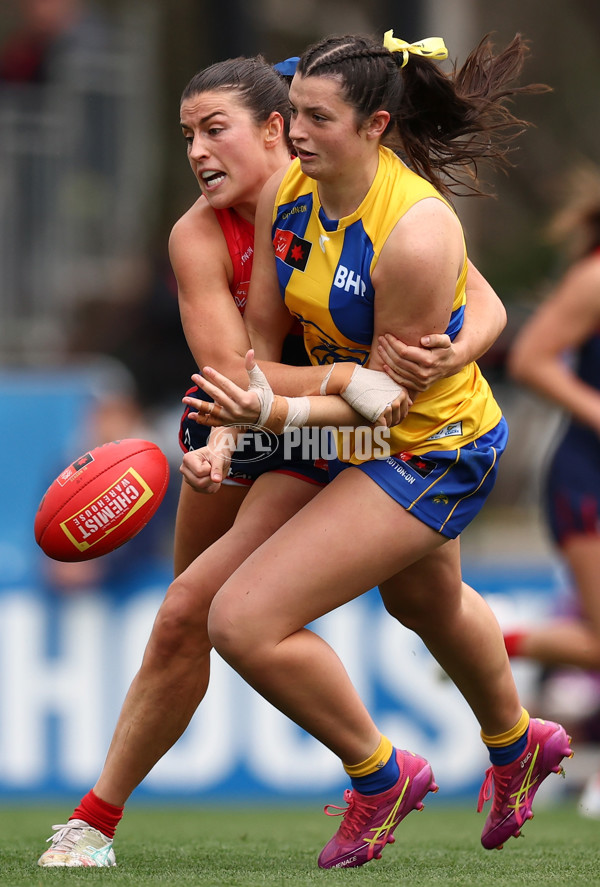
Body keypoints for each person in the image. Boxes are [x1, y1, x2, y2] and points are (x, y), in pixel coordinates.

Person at [36, 53, 505, 868]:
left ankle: (496, 745)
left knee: (419, 601)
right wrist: (233, 436)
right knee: (192, 614)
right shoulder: (201, 234)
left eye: (214, 130)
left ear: (275, 131)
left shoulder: (357, 193)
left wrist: (441, 356)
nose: (196, 153)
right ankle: (93, 820)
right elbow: (238, 377)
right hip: (266, 425)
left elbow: (478, 301)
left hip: (369, 430)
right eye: (185, 136)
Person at [179, 30, 572, 868]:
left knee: (240, 620)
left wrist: (267, 412)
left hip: (430, 449)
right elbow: (258, 347)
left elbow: (384, 409)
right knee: (423, 604)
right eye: (292, 114)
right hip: (353, 424)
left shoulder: (414, 232)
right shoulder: (289, 189)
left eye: (317, 118)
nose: (296, 132)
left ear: (376, 125)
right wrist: (238, 416)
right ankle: (516, 745)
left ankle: (379, 774)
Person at [506, 162, 600, 818]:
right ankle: (481, 639)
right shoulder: (594, 276)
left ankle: (491, 639)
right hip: (586, 474)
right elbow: (530, 357)